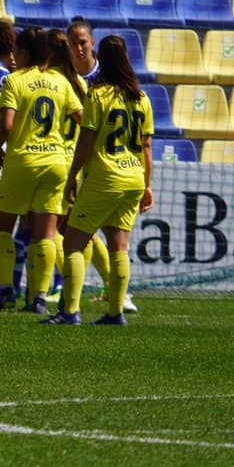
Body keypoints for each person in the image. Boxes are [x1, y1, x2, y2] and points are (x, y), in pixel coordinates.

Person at [55, 34, 154, 326]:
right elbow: (147, 147)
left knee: (73, 243)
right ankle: (115, 312)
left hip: (105, 177)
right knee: (119, 247)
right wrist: (147, 185)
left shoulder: (97, 95)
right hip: (133, 178)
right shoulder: (142, 98)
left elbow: (86, 140)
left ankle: (70, 311)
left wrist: (72, 176)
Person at [0, 26, 83, 312]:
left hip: (23, 162)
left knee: (2, 228)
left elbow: (7, 125)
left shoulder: (15, 80)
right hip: (55, 163)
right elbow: (82, 117)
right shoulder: (60, 81)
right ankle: (40, 297)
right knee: (46, 234)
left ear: (24, 53)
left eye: (16, 51)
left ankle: (6, 290)